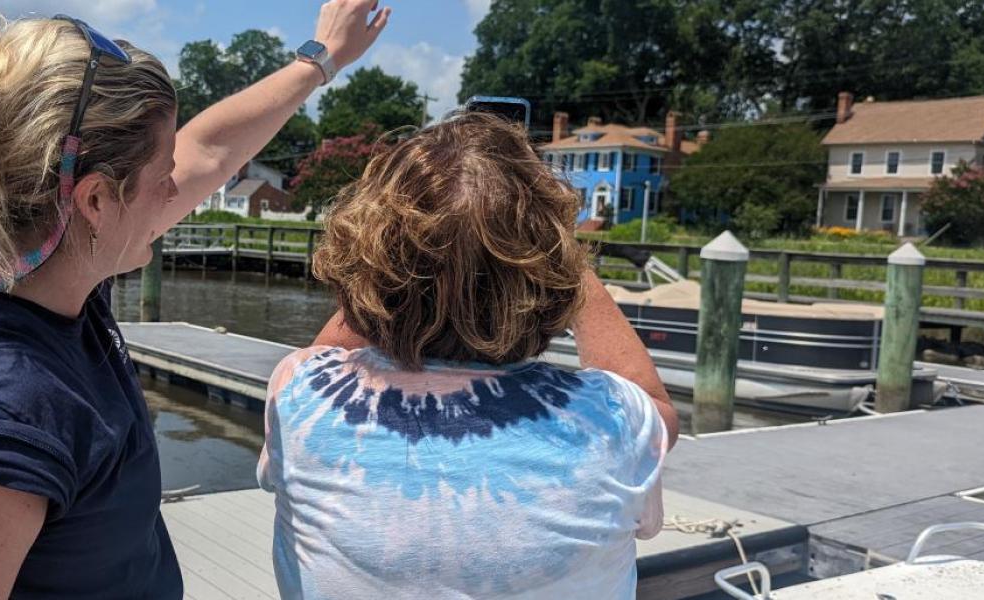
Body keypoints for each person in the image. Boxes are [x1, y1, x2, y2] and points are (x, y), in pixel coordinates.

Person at [0, 2, 390, 597]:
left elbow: (211, 153)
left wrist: (321, 60)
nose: (177, 190)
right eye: (161, 176)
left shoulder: (28, 264)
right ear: (94, 201)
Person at [258, 112, 682, 599]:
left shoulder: (297, 392)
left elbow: (326, 350)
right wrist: (560, 251)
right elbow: (653, 400)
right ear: (554, 269)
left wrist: (384, 271)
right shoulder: (616, 422)